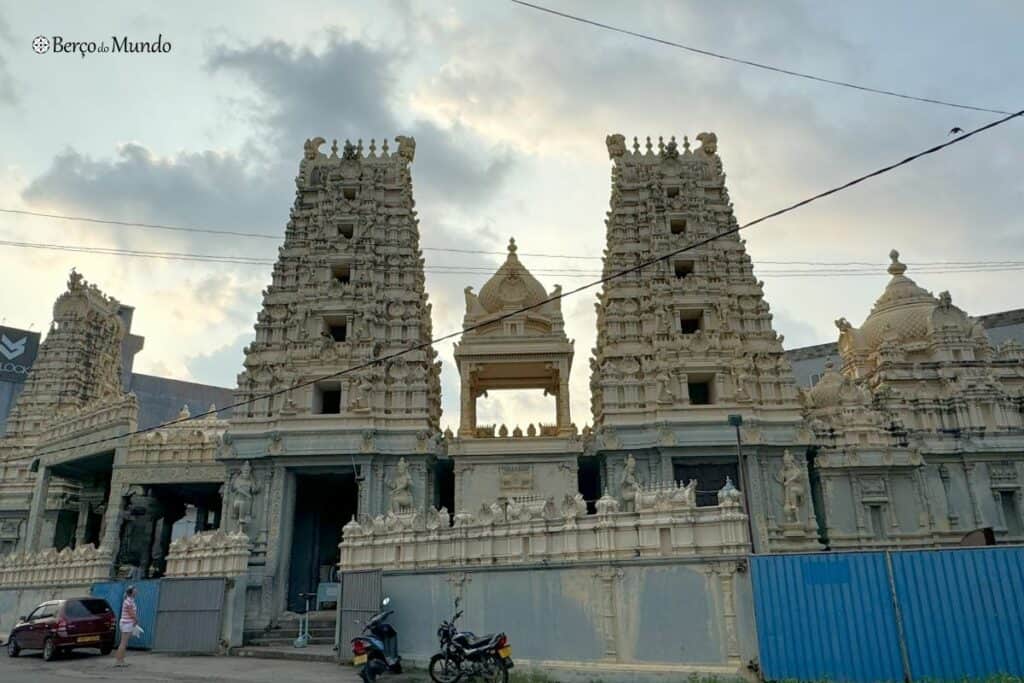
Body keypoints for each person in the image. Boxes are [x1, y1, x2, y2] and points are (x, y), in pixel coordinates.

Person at [115, 586, 138, 666]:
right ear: (131, 592)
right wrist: (136, 620)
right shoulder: (128, 601)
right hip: (126, 623)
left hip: (127, 622)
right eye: (135, 590)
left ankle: (121, 660)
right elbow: (130, 612)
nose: (136, 592)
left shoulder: (130, 600)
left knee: (124, 642)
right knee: (123, 643)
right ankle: (119, 661)